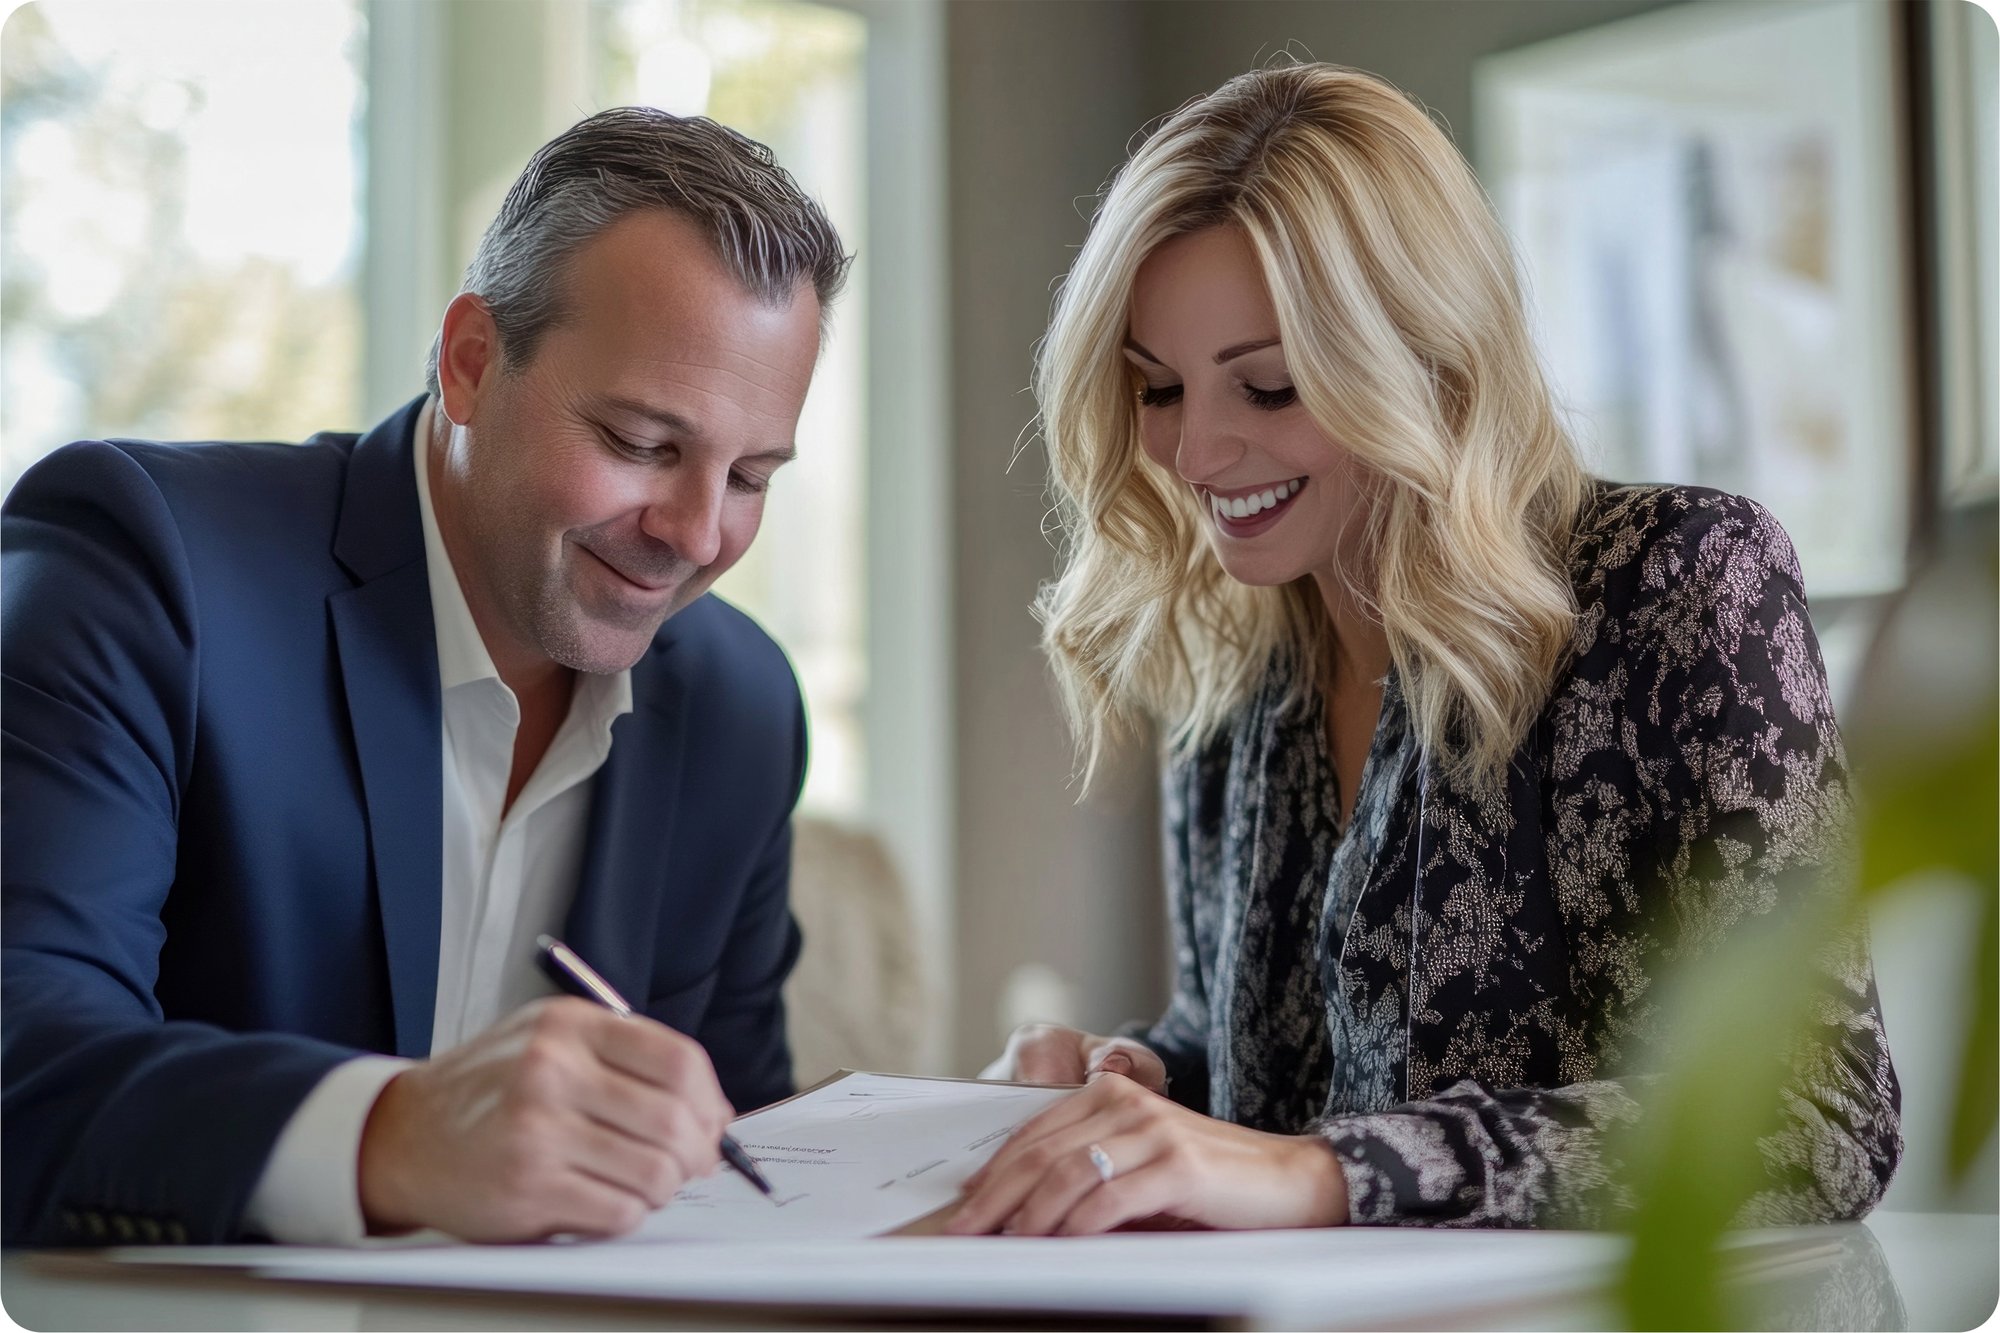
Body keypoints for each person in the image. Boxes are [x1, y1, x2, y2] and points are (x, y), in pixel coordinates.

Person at [955, 63, 1900, 1236]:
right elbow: (1276, 1061)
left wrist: (1322, 1173)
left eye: (1268, 385)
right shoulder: (1231, 657)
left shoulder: (1680, 580)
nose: (1195, 454)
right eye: (1156, 389)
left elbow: (1817, 1119)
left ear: (1427, 359)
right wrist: (1133, 1078)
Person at [2, 108, 850, 1246]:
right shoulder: (146, 568)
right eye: (643, 444)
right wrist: (393, 1133)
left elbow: (737, 1149)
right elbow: (24, 1056)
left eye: (749, 475)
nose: (697, 535)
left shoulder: (741, 708)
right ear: (469, 363)